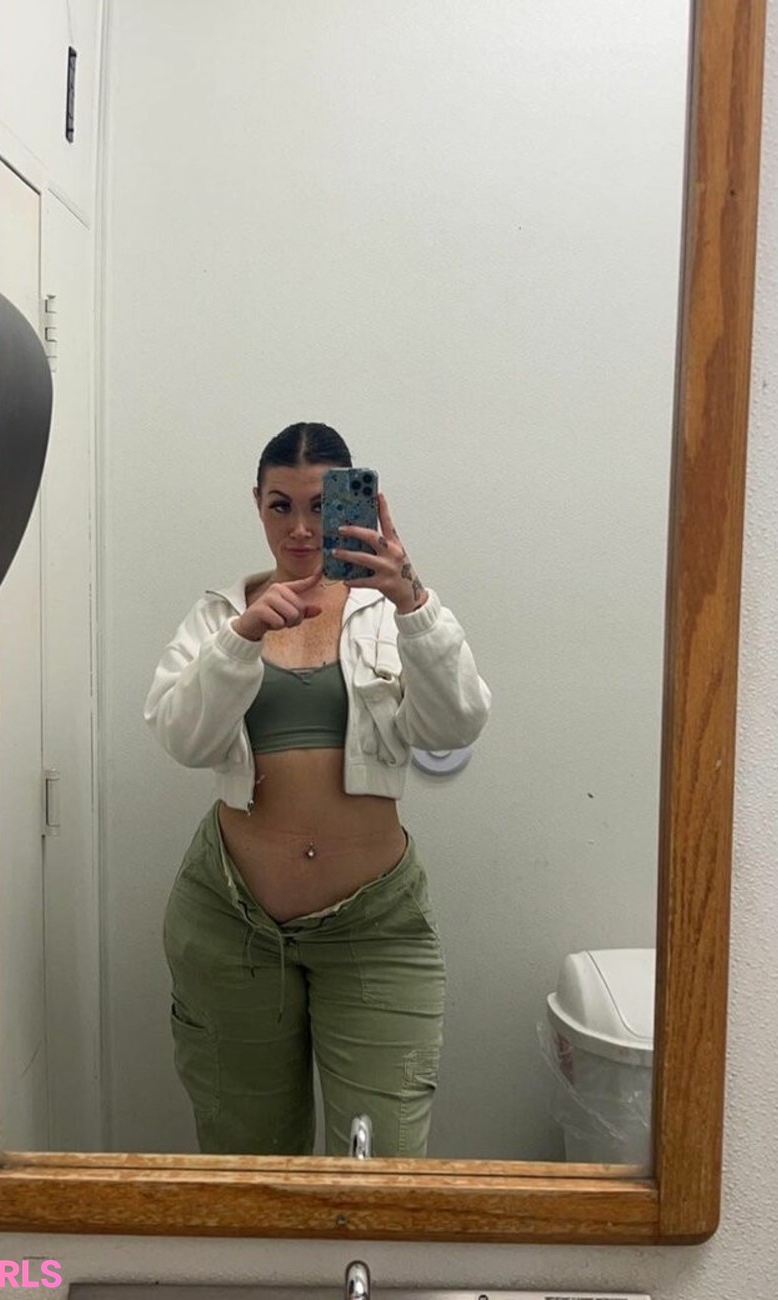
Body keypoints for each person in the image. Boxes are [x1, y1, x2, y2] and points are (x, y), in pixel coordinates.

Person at [144, 421, 491, 1157]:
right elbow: (183, 739)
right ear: (258, 505)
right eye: (281, 506)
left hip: (376, 930)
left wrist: (413, 599)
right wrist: (240, 640)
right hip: (229, 922)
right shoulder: (219, 615)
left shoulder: (391, 610)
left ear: (357, 506)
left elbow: (455, 723)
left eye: (319, 506)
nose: (300, 529)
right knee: (248, 1157)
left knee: (382, 1161)